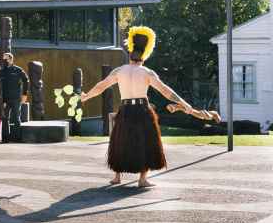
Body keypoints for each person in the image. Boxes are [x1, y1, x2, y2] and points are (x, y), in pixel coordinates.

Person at [81, 26, 193, 187]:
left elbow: (101, 86)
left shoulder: (119, 71)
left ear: (130, 54)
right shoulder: (147, 72)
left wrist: (86, 96)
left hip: (125, 110)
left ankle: (117, 177)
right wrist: (183, 103)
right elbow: (165, 91)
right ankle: (142, 179)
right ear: (144, 56)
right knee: (145, 143)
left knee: (120, 142)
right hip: (142, 110)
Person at [0, 53, 29, 141]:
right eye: (3, 59)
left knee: (16, 117)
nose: (5, 61)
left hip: (16, 98)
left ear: (11, 59)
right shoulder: (1, 71)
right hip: (5, 99)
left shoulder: (18, 70)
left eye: (6, 59)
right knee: (5, 118)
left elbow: (26, 80)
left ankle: (17, 138)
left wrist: (24, 94)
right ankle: (6, 138)